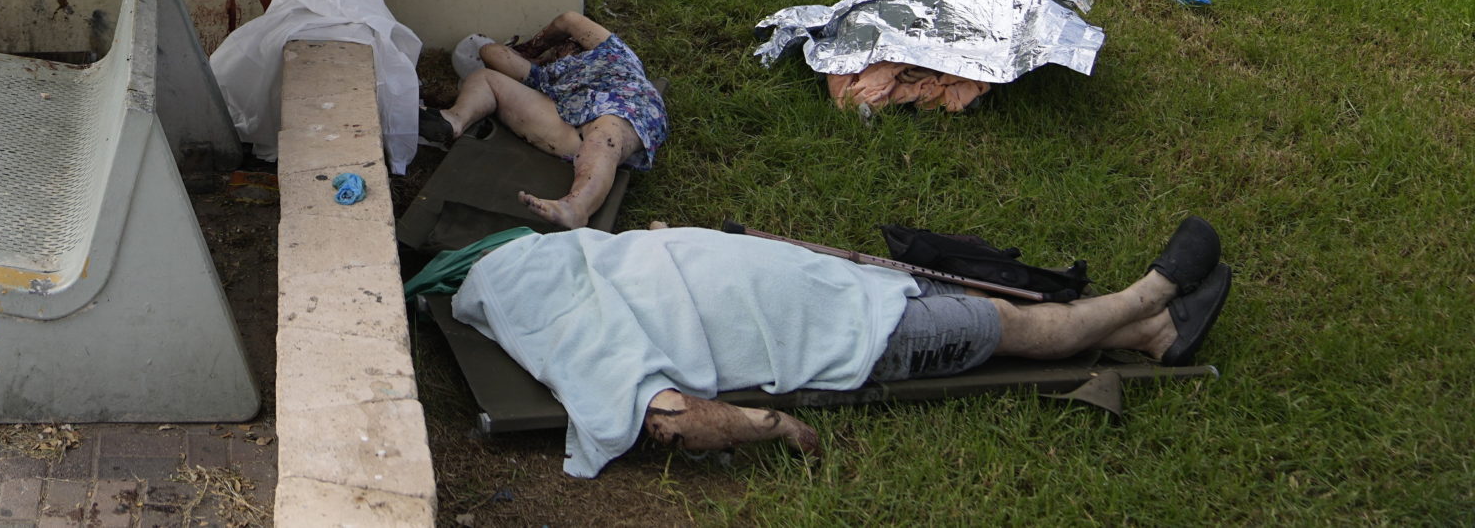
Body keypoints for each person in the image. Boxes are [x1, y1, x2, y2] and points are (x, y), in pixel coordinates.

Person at [453, 216, 1234, 474]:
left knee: (982, 299)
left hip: (830, 286)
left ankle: (1150, 334)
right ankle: (1150, 296)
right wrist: (774, 425)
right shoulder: (567, 335)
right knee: (1010, 326)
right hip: (850, 336)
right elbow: (668, 417)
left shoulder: (541, 266)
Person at [419, 10, 668, 229]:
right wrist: (531, 58)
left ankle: (576, 207)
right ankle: (453, 120)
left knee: (603, 138)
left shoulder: (612, 52)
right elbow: (491, 52)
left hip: (623, 107)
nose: (564, 50)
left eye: (569, 45)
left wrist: (536, 45)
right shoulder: (544, 75)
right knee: (485, 78)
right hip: (568, 122)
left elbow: (569, 20)